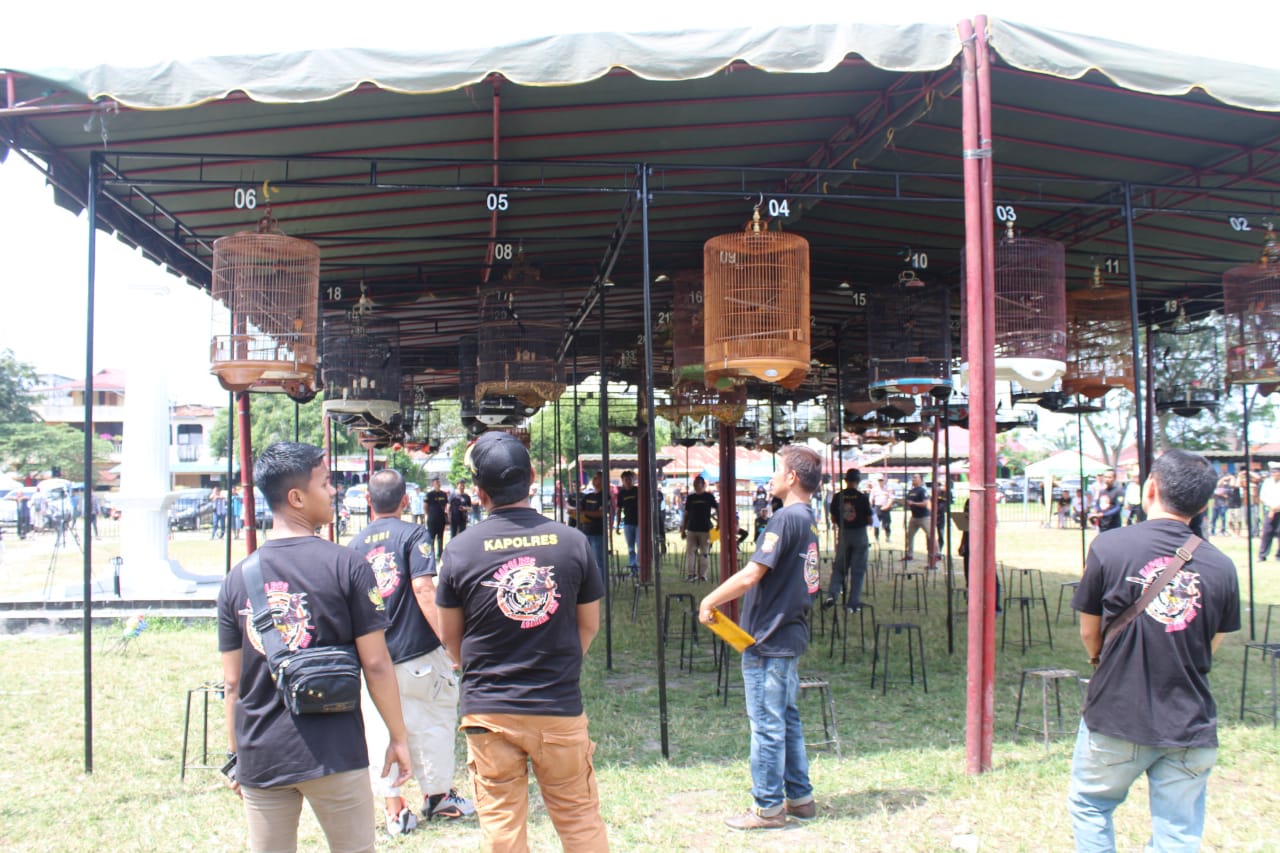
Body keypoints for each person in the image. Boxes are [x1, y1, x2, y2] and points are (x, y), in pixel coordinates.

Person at [216, 442, 413, 853]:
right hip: (335, 749)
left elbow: (232, 684)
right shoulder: (348, 566)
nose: (334, 491)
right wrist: (398, 736)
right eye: (325, 483)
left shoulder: (237, 579)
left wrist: (235, 755)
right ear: (297, 497)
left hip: (261, 752)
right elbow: (376, 664)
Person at [435, 431, 609, 853]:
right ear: (532, 477)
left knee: (501, 828)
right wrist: (558, 666)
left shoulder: (459, 550)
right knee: (579, 819)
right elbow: (588, 625)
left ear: (478, 492)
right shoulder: (573, 543)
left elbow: (449, 639)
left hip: (488, 710)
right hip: (558, 706)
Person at [1068, 449, 1240, 852]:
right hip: (1190, 719)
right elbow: (1211, 644)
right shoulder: (1222, 566)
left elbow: (1089, 631)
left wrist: (1101, 661)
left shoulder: (1109, 546)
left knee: (1091, 804)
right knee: (1179, 830)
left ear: (1150, 488)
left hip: (1116, 711)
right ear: (1203, 504)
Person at [697, 446, 821, 831]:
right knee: (786, 719)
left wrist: (711, 599)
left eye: (777, 470)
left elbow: (752, 574)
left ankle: (767, 808)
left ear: (792, 478)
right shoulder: (808, 519)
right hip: (789, 634)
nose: (772, 477)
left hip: (768, 639)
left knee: (767, 725)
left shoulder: (785, 519)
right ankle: (800, 798)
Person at [347, 469, 474, 836]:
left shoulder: (354, 546)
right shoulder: (413, 534)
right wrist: (452, 646)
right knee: (434, 719)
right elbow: (423, 590)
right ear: (406, 501)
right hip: (416, 652)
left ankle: (393, 807)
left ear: (369, 501)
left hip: (374, 659)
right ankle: (437, 796)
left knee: (381, 728)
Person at [824, 468, 872, 612]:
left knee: (839, 568)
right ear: (858, 481)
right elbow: (870, 519)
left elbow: (832, 518)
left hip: (844, 533)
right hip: (860, 534)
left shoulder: (838, 496)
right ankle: (853, 603)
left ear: (846, 480)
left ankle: (832, 595)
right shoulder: (862, 497)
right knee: (858, 570)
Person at [681, 475, 718, 582]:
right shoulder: (690, 497)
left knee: (704, 552)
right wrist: (683, 529)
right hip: (692, 529)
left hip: (705, 529)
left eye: (698, 483)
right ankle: (690, 574)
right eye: (695, 483)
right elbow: (686, 514)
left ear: (703, 485)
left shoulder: (709, 496)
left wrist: (719, 523)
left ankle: (702, 575)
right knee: (690, 552)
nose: (696, 485)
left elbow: (718, 508)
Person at [578, 473, 608, 583]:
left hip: (598, 532)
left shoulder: (605, 496)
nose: (594, 480)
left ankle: (601, 584)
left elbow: (601, 513)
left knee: (599, 560)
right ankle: (589, 584)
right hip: (585, 531)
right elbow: (579, 509)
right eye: (594, 477)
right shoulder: (587, 496)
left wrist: (585, 512)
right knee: (586, 561)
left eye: (597, 478)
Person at [902, 474, 935, 565]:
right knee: (909, 535)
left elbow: (925, 503)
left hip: (924, 517)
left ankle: (937, 554)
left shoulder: (922, 491)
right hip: (914, 517)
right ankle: (909, 554)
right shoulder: (911, 491)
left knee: (931, 535)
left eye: (915, 478)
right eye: (913, 477)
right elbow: (908, 502)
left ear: (921, 480)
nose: (913, 479)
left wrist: (913, 503)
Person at [617, 470, 640, 575]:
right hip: (628, 523)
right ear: (622, 481)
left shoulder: (638, 490)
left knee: (639, 545)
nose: (628, 481)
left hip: (639, 523)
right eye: (625, 480)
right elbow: (618, 509)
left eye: (630, 479)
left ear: (633, 480)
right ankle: (633, 567)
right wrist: (617, 525)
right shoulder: (621, 493)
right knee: (630, 547)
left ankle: (640, 567)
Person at [1259, 461, 1280, 561]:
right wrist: (1271, 507)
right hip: (1269, 510)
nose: (1274, 474)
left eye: (1276, 472)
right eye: (1272, 472)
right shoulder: (1267, 482)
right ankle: (1262, 555)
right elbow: (1263, 496)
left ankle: (1278, 556)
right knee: (1267, 532)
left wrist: (1276, 507)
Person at [425, 478, 449, 558]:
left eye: (439, 483)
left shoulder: (443, 494)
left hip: (441, 519)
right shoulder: (429, 494)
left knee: (440, 538)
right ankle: (431, 555)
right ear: (433, 484)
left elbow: (446, 505)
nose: (438, 484)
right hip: (432, 519)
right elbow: (425, 506)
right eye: (436, 483)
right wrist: (429, 514)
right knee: (431, 538)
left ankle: (440, 555)